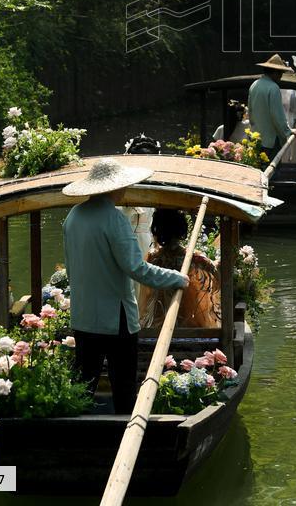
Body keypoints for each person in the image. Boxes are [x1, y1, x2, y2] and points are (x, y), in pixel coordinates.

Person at [62, 158, 189, 413]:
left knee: (83, 387)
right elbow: (137, 269)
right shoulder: (114, 219)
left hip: (83, 316)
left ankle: (76, 436)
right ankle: (122, 433)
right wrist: (177, 278)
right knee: (124, 388)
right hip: (115, 318)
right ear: (115, 188)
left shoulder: (73, 216)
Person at [138, 209, 221, 329]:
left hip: (157, 320)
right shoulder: (193, 257)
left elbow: (145, 291)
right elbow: (215, 272)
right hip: (187, 320)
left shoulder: (152, 256)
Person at [247, 53, 296, 159]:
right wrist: (288, 131)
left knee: (257, 171)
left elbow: (250, 113)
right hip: (270, 141)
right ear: (275, 72)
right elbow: (277, 116)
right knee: (272, 172)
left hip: (255, 138)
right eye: (280, 73)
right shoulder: (273, 88)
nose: (281, 76)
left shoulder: (254, 84)